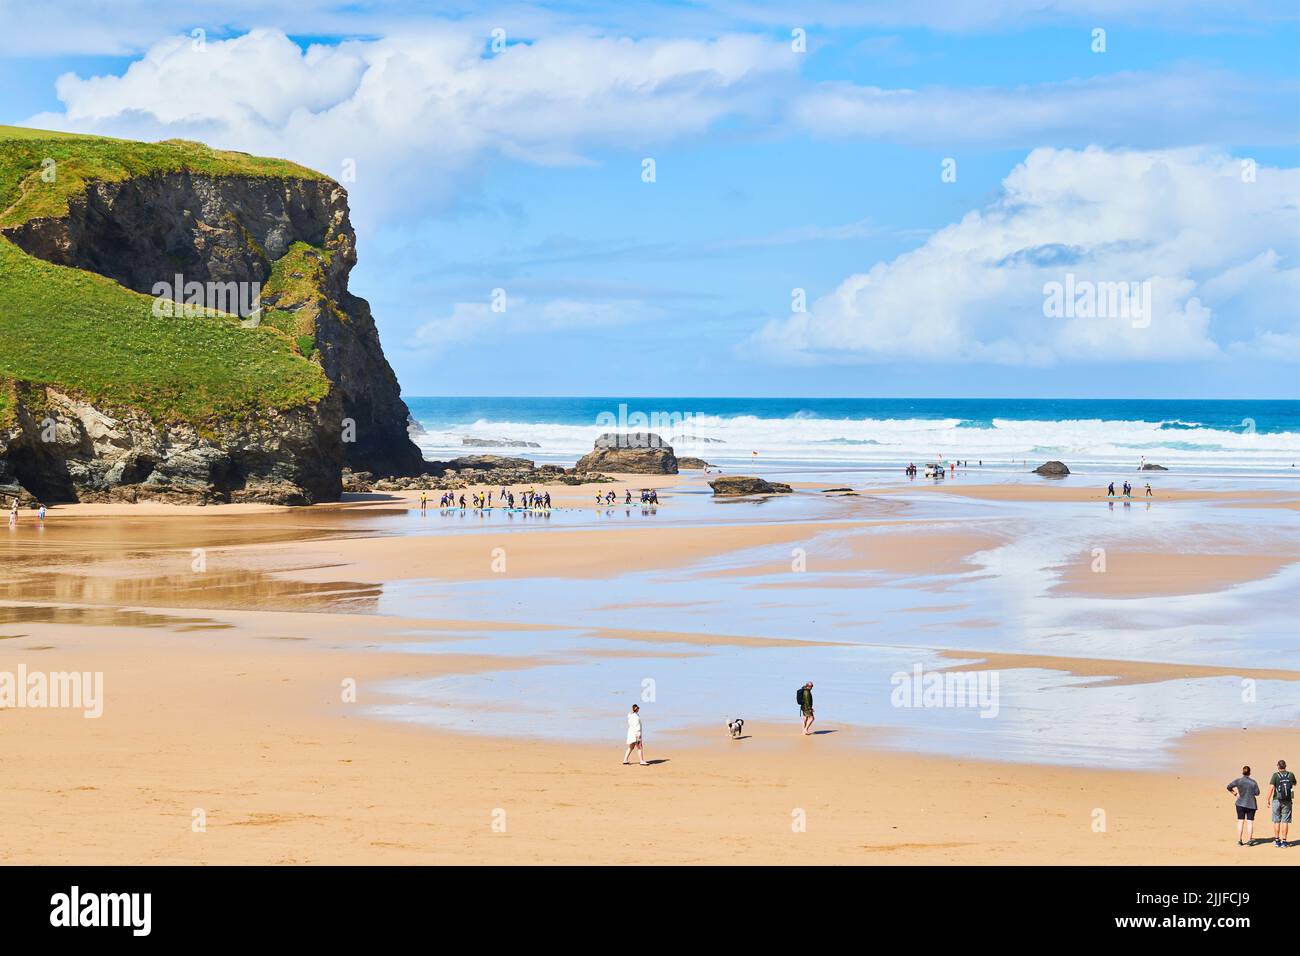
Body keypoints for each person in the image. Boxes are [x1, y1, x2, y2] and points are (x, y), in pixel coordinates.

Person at [1227, 766, 1260, 846]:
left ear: (1243, 772)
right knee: (1250, 822)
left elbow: (1229, 787)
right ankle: (1249, 840)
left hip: (1240, 803)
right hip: (1251, 804)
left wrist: (1235, 793)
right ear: (1250, 772)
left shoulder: (1238, 781)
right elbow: (1257, 793)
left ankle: (1239, 840)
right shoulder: (1253, 782)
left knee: (1240, 821)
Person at [1267, 759, 1295, 847]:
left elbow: (1271, 788)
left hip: (1276, 800)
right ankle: (1284, 841)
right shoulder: (1290, 774)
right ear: (1285, 766)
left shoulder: (1275, 775)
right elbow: (1294, 784)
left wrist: (1267, 799)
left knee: (1276, 821)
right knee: (1285, 821)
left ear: (1278, 766)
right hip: (1287, 800)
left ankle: (1277, 840)